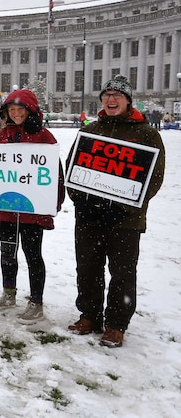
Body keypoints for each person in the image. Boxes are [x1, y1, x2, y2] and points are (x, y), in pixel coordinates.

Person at [65, 75, 165, 348]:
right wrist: (81, 202)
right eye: (107, 95)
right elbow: (72, 167)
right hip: (89, 216)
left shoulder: (146, 133)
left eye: (117, 96)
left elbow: (153, 178)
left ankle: (117, 324)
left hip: (125, 219)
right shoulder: (91, 130)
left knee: (122, 272)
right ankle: (90, 315)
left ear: (127, 101)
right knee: (88, 267)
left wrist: (121, 207)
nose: (111, 100)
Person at [0, 88, 65, 325]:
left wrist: (56, 202)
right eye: (12, 109)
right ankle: (8, 293)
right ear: (6, 112)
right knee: (7, 252)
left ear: (30, 111)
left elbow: (55, 174)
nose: (17, 113)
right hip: (6, 208)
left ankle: (36, 301)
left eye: (21, 109)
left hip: (33, 211)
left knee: (33, 255)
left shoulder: (44, 136)